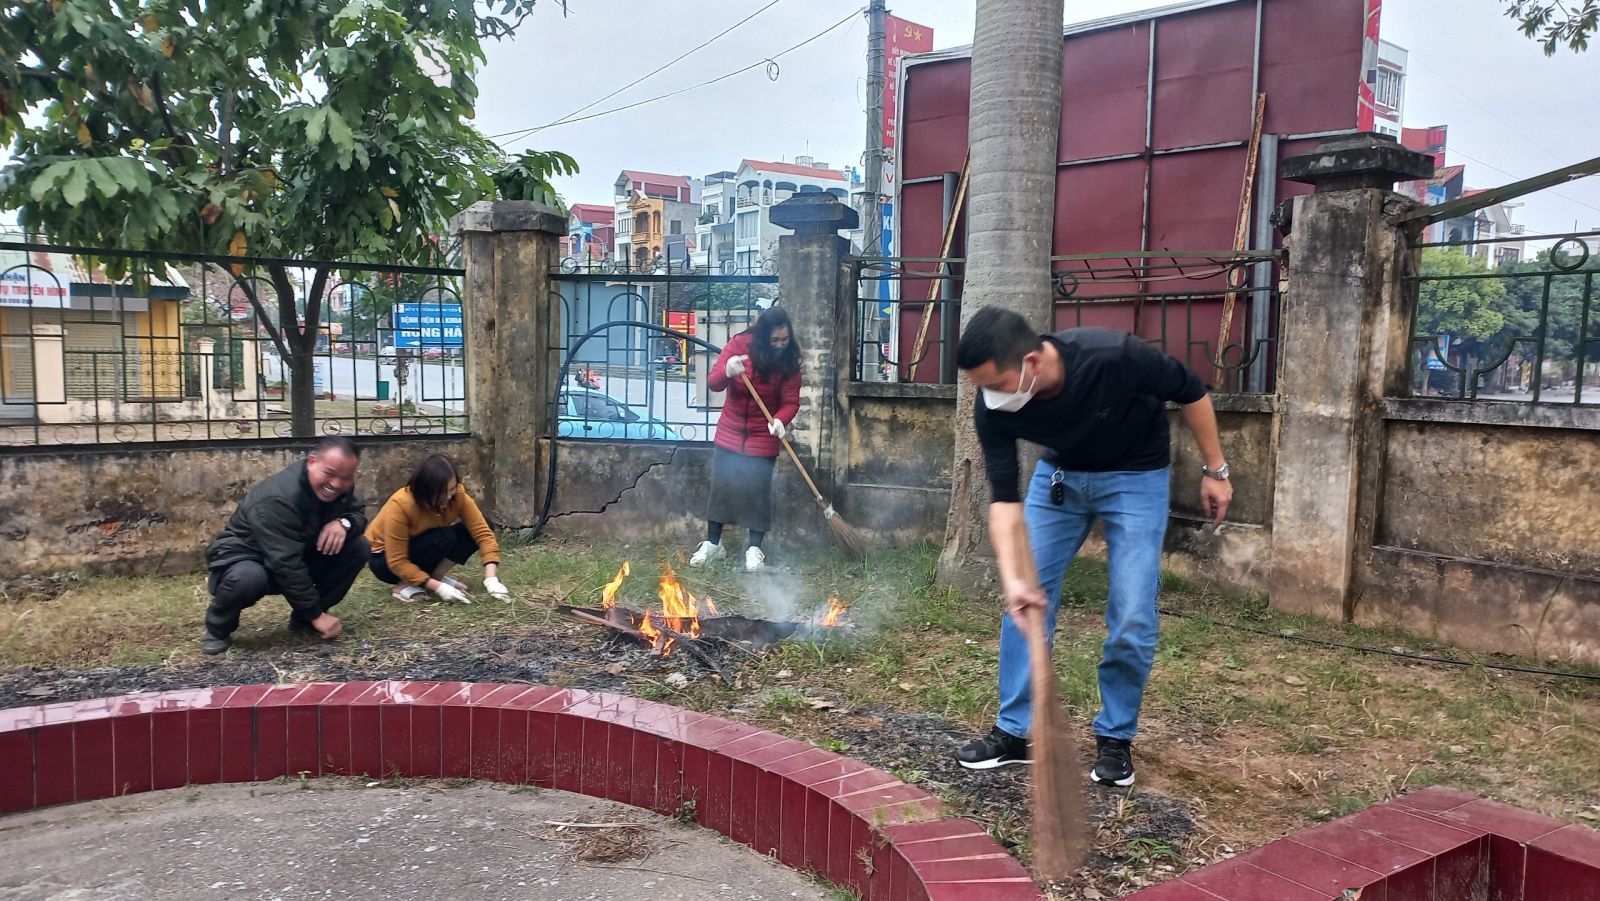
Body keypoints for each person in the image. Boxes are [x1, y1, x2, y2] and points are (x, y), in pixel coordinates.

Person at [951, 308, 1232, 787]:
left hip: (1136, 476)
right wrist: (1016, 578)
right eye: (983, 387)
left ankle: (1116, 737)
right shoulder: (991, 404)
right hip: (1059, 478)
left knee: (1132, 612)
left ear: (1032, 362)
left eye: (997, 383)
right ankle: (1015, 734)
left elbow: (1191, 390)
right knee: (1024, 604)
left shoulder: (1113, 356)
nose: (991, 397)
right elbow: (1004, 500)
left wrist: (1215, 470)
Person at [200, 436, 370, 655]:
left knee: (358, 547)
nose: (336, 484)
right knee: (249, 577)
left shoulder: (339, 484)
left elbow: (357, 512)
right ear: (311, 462)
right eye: (329, 474)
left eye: (346, 477)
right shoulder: (278, 498)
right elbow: (285, 563)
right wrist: (316, 614)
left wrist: (343, 523)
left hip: (298, 551)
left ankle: (304, 620)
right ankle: (217, 628)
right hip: (248, 557)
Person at [690, 306, 802, 572]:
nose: (779, 345)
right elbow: (714, 382)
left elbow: (790, 401)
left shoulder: (789, 360)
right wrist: (727, 370)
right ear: (762, 336)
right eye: (774, 340)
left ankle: (754, 549)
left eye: (784, 340)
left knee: (758, 494)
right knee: (722, 491)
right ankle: (713, 544)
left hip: (763, 436)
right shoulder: (739, 345)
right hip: (730, 432)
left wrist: (780, 420)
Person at [366, 453, 507, 603]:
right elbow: (396, 561)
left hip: (422, 546)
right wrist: (437, 587)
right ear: (424, 489)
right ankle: (404, 586)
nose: (447, 497)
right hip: (384, 560)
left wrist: (491, 578)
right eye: (439, 492)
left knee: (481, 526)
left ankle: (435, 576)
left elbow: (483, 533)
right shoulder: (401, 505)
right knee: (443, 537)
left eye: (451, 489)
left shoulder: (457, 495)